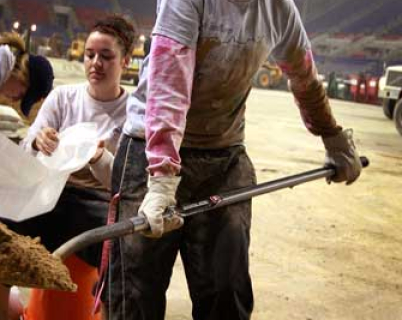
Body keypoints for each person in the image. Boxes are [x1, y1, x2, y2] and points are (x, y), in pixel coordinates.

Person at [103, 1, 363, 320]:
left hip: (223, 154)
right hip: (149, 150)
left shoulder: (278, 9)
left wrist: (333, 136)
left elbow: (304, 76)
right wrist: (161, 180)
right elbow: (169, 87)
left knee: (226, 291)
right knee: (135, 293)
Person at [0, 15, 136, 320]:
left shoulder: (132, 112)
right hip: (52, 194)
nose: (95, 64)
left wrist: (99, 160)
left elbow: (126, 182)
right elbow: (25, 153)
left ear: (126, 62)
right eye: (90, 55)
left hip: (101, 203)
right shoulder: (64, 97)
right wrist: (38, 142)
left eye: (106, 57)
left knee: (125, 256)